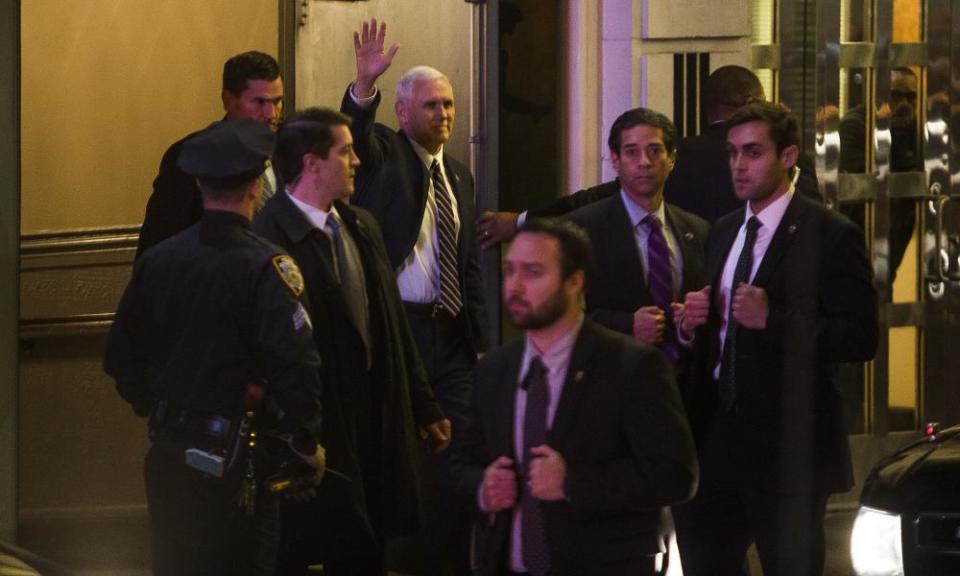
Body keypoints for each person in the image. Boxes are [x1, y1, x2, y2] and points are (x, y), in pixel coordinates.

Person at [103, 118, 326, 576]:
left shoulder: (157, 263)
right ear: (253, 185)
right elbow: (296, 365)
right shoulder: (267, 267)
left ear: (200, 184)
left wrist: (157, 404)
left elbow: (120, 359)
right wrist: (306, 443)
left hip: (168, 456)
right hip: (241, 464)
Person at [674, 101, 878, 576]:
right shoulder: (725, 230)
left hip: (791, 443)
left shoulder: (829, 233)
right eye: (732, 153)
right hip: (720, 434)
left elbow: (861, 337)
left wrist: (775, 320)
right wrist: (692, 324)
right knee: (706, 559)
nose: (738, 166)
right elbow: (721, 338)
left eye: (752, 153)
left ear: (788, 157)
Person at [253, 107, 451, 575]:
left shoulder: (361, 225)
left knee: (367, 543)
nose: (356, 161)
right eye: (345, 151)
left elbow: (392, 326)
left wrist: (424, 404)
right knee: (305, 543)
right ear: (311, 164)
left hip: (373, 414)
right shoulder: (268, 237)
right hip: (313, 425)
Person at [450, 218, 698, 576]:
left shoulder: (631, 366)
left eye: (534, 273)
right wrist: (481, 488)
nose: (516, 286)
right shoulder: (495, 370)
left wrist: (573, 483)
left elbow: (676, 475)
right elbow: (461, 462)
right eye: (510, 271)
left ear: (574, 281)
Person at [339, 19, 488, 574]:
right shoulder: (382, 153)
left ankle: (448, 562)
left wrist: (479, 340)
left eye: (448, 105)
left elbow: (469, 266)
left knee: (460, 454)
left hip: (450, 336)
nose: (444, 115)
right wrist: (362, 88)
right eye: (431, 106)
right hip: (396, 329)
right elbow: (355, 131)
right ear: (403, 113)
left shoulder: (462, 177)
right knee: (391, 455)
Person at [475, 66, 819, 247]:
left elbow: (597, 198)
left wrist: (521, 221)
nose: (740, 165)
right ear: (751, 102)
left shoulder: (679, 158)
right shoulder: (785, 163)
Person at [566, 107, 708, 370]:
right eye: (632, 152)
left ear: (672, 160)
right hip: (611, 384)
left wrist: (687, 328)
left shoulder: (697, 230)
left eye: (655, 151)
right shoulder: (581, 228)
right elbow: (563, 319)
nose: (644, 162)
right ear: (615, 160)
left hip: (683, 391)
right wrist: (627, 326)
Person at [137, 50, 285, 258]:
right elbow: (156, 243)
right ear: (227, 100)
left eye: (277, 101)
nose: (272, 114)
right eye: (259, 102)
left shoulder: (290, 150)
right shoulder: (191, 155)